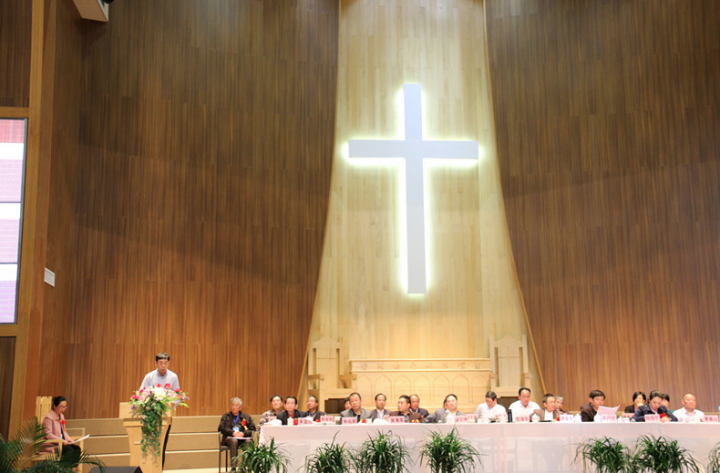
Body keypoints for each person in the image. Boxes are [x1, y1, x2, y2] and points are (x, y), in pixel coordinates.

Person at [139, 352, 179, 467]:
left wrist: (172, 404)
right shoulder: (149, 376)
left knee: (162, 444)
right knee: (150, 443)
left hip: (165, 416)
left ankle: (159, 468)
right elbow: (142, 393)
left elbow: (177, 395)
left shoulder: (173, 377)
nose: (163, 365)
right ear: (156, 363)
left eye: (165, 363)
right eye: (160, 363)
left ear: (168, 363)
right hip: (150, 416)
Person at [217, 398, 256, 471]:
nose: (234, 407)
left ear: (240, 407)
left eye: (236, 405)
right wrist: (232, 433)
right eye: (232, 405)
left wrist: (243, 434)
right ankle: (233, 467)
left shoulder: (246, 417)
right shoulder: (226, 416)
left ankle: (245, 466)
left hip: (243, 439)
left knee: (248, 441)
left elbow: (252, 429)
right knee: (234, 441)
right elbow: (221, 428)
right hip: (230, 439)